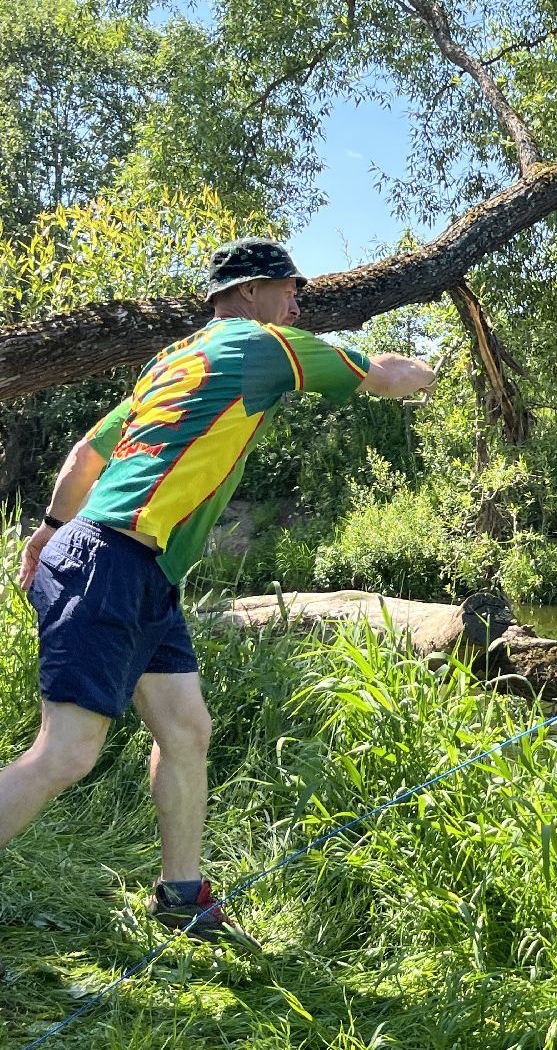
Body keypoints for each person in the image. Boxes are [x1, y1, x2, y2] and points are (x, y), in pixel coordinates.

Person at [0, 238, 435, 952]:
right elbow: (384, 374)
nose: (299, 303)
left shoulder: (170, 363)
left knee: (186, 729)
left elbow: (86, 457)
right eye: (290, 288)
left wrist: (46, 532)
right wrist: (431, 371)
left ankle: (179, 896)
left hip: (134, 569)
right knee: (67, 755)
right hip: (112, 560)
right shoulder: (265, 345)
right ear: (249, 291)